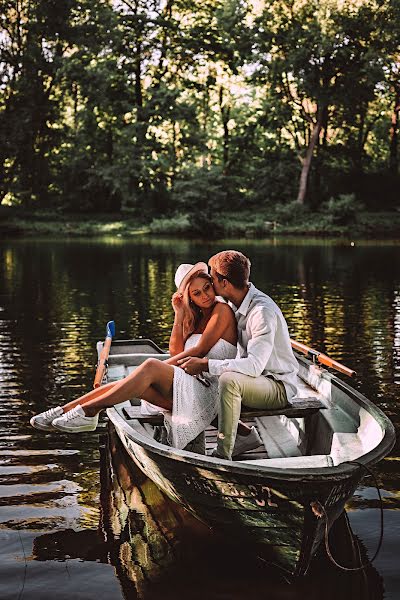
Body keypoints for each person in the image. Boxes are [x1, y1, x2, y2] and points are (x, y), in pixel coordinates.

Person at [30, 263, 244, 451]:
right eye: (196, 293)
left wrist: (160, 366)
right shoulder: (196, 317)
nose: (205, 295)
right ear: (190, 298)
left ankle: (89, 409)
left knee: (149, 367)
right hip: (190, 387)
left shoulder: (221, 310)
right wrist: (179, 314)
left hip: (211, 392)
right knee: (135, 384)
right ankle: (65, 409)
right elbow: (176, 352)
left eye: (207, 288)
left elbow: (199, 350)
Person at [177, 250, 299, 460]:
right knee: (202, 385)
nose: (210, 284)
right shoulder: (233, 304)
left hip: (277, 386)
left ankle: (222, 454)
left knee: (228, 380)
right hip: (253, 381)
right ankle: (239, 437)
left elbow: (254, 367)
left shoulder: (261, 311)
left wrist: (206, 365)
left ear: (224, 283)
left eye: (212, 279)